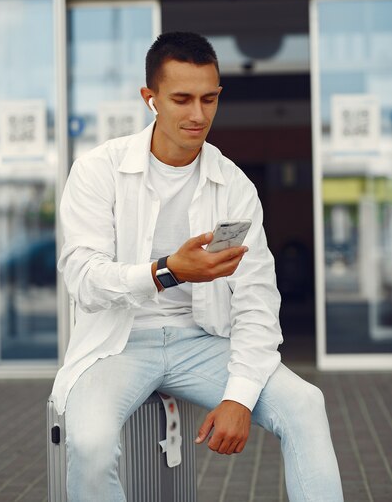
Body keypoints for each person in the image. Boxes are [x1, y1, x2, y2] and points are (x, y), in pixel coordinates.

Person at [51, 31, 344, 502]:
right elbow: (84, 281)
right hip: (118, 344)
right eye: (181, 99)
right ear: (150, 99)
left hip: (204, 343)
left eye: (209, 99)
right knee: (90, 443)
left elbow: (257, 300)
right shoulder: (97, 170)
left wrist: (238, 396)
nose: (197, 114)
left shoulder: (233, 186)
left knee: (307, 404)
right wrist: (167, 270)